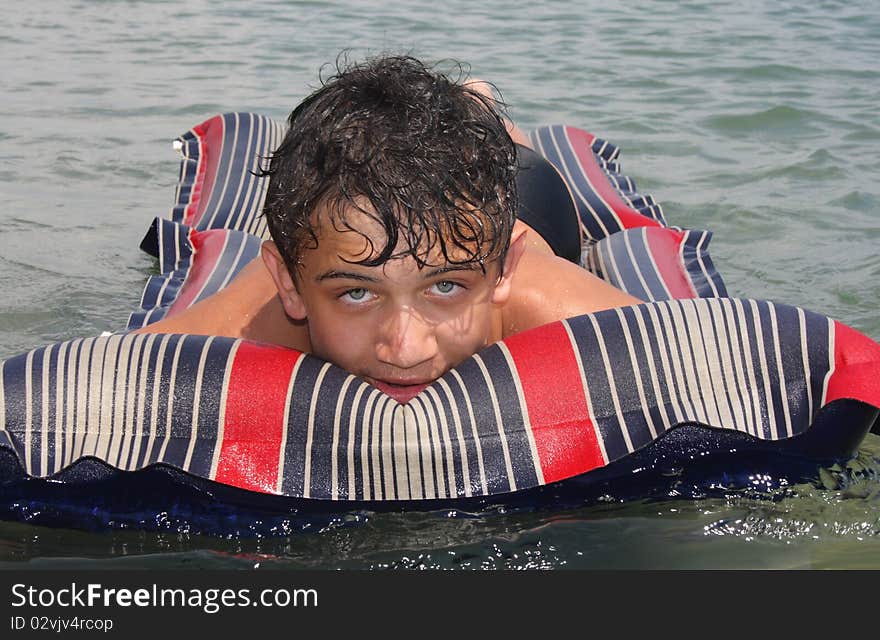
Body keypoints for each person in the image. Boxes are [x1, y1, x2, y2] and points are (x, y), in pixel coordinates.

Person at [134, 55, 640, 402]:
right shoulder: (265, 312)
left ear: (504, 269)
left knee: (501, 146)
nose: (405, 348)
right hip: (375, 230)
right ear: (288, 284)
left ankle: (480, 108)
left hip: (526, 198)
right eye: (357, 294)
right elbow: (123, 370)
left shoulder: (543, 304)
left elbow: (699, 353)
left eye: (445, 287)